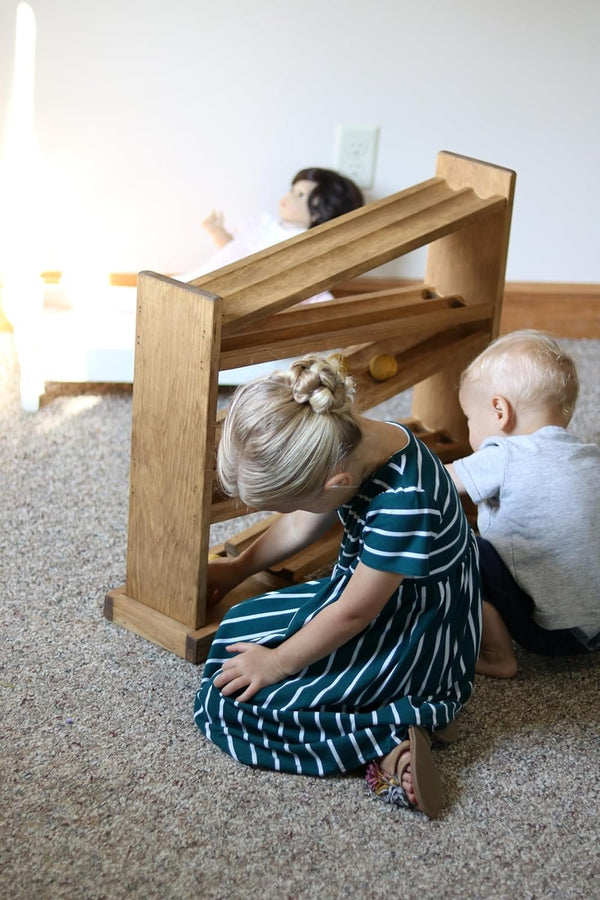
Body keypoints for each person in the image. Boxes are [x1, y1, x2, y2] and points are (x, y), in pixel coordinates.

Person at [194, 355, 481, 818]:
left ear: (335, 483)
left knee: (234, 705)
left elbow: (354, 613)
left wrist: (278, 663)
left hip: (409, 630)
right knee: (235, 634)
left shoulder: (406, 501)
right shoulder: (349, 440)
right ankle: (385, 719)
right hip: (368, 592)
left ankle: (394, 730)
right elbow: (301, 525)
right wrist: (239, 568)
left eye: (293, 501)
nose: (292, 512)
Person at [446, 330, 600, 679]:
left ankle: (497, 655)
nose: (469, 427)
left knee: (463, 547)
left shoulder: (505, 454)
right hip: (595, 628)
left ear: (499, 411)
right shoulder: (588, 456)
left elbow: (436, 481)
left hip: (549, 633)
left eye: (468, 418)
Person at [182, 167, 364, 281]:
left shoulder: (300, 243)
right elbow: (232, 251)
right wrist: (217, 231)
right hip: (214, 276)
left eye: (300, 195)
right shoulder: (264, 224)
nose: (289, 196)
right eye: (292, 190)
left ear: (319, 212)